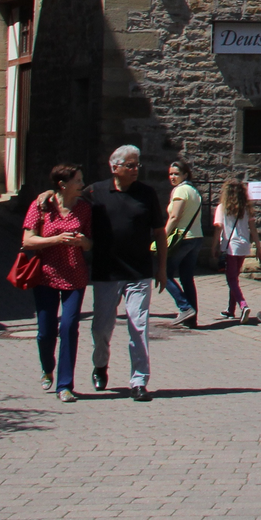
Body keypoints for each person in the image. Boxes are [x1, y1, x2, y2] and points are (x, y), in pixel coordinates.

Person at [81, 145, 165, 400]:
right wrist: (47, 195)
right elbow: (69, 201)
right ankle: (100, 365)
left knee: (138, 326)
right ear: (114, 167)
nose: (135, 169)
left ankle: (139, 381)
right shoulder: (95, 192)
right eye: (130, 165)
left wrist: (161, 268)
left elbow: (159, 232)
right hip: (107, 272)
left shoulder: (146, 194)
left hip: (139, 272)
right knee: (101, 328)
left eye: (137, 164)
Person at [20, 163, 92, 403]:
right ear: (63, 184)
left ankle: (65, 385)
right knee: (45, 332)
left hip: (75, 276)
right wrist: (57, 239)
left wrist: (82, 242)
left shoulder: (84, 209)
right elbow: (27, 241)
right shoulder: (41, 205)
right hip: (46, 276)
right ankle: (47, 367)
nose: (82, 184)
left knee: (69, 327)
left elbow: (91, 243)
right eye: (78, 180)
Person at [162, 160, 205, 328]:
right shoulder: (194, 191)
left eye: (176, 174)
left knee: (164, 273)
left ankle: (185, 307)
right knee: (187, 277)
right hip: (196, 237)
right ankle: (192, 319)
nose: (172, 177)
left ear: (185, 175)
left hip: (183, 238)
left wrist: (163, 237)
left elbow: (174, 216)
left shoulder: (180, 190)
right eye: (170, 174)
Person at [213, 179, 255, 323]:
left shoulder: (222, 208)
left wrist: (214, 246)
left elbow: (218, 228)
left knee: (231, 279)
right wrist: (258, 247)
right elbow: (253, 229)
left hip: (230, 246)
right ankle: (231, 309)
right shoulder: (246, 208)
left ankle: (243, 305)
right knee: (234, 278)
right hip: (244, 245)